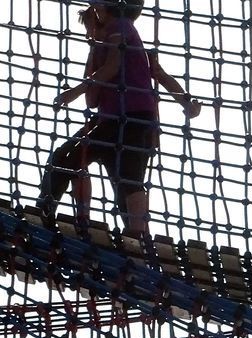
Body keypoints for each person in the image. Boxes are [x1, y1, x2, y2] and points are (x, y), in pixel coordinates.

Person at [36, 1, 201, 238]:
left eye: (91, 29)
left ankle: (136, 236)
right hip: (112, 121)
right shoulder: (104, 46)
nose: (89, 36)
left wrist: (187, 103)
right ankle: (86, 219)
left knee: (120, 176)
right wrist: (93, 51)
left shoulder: (121, 28)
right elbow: (92, 101)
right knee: (89, 166)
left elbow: (132, 70)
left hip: (132, 118)